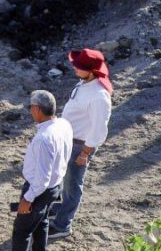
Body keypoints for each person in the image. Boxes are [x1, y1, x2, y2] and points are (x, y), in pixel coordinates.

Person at [49, 49, 113, 240]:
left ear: (91, 71)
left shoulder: (99, 96)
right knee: (65, 180)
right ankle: (60, 209)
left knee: (73, 184)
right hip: (70, 140)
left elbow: (99, 129)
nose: (74, 67)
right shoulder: (86, 83)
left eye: (79, 66)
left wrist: (85, 153)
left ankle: (62, 225)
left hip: (80, 145)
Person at [12, 90, 72, 251]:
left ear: (37, 109)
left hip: (39, 191)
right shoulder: (64, 124)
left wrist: (28, 198)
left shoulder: (43, 138)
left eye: (31, 107)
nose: (31, 111)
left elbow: (42, 179)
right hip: (55, 186)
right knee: (42, 222)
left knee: (22, 231)